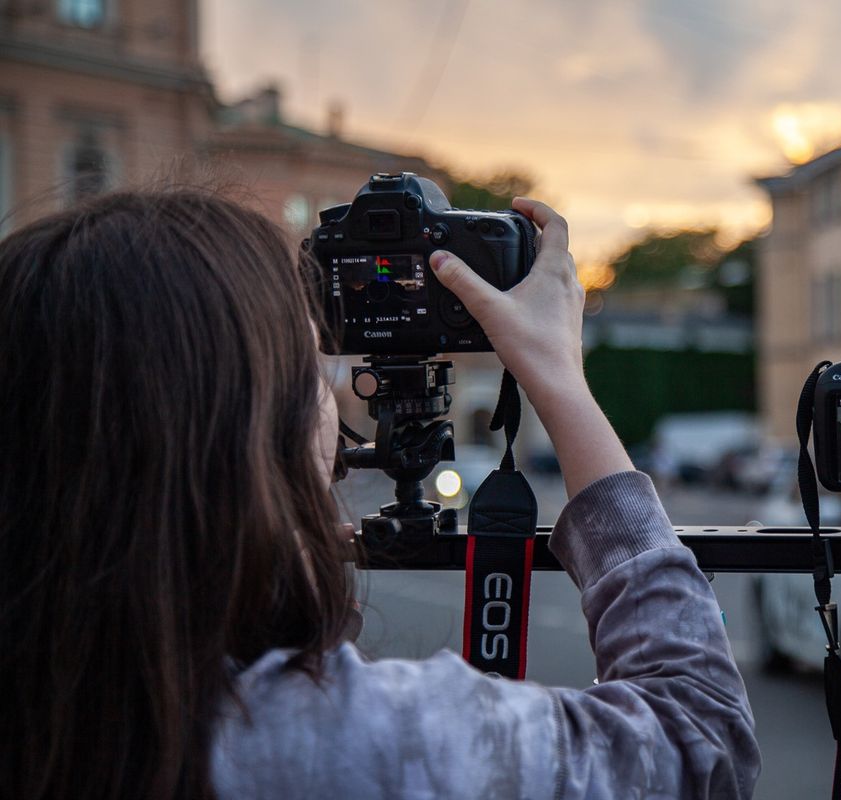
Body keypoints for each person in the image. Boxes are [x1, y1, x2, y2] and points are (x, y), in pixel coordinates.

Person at [0, 188, 760, 799]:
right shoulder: (372, 742)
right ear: (261, 435)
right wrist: (558, 376)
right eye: (310, 362)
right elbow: (701, 740)